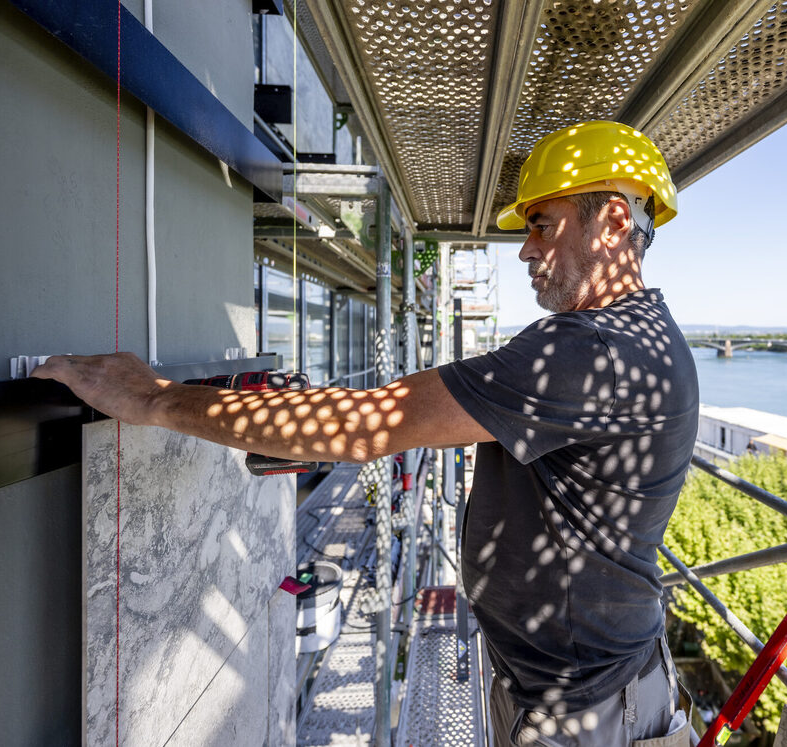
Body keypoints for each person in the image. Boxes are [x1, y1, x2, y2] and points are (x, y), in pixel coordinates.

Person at [34, 120, 699, 746]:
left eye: (540, 223)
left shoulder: (590, 354)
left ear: (612, 222)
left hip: (585, 711)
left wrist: (155, 399)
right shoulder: (640, 342)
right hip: (586, 690)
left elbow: (367, 425)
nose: (525, 248)